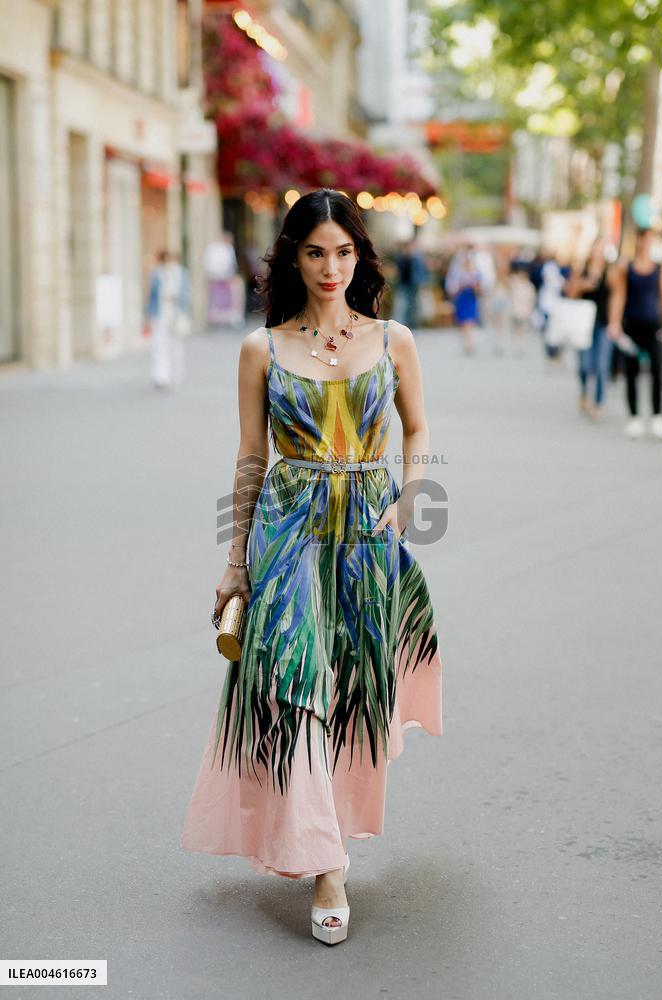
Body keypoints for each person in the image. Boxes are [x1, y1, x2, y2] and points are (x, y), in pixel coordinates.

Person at [180, 188, 444, 946]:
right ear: (291, 258)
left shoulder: (393, 339)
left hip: (365, 536)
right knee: (298, 688)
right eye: (315, 251)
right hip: (288, 535)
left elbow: (419, 426)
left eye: (344, 251)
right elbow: (250, 459)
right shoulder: (261, 349)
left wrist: (410, 496)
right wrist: (235, 562)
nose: (331, 267)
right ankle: (326, 865)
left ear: (360, 256)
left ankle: (323, 843)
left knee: (350, 692)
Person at [607, 227, 662, 439]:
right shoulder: (627, 268)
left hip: (653, 324)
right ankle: (634, 417)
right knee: (631, 371)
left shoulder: (659, 268)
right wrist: (614, 322)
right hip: (632, 324)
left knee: (657, 371)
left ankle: (658, 416)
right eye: (643, 239)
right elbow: (619, 296)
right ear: (638, 241)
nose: (646, 243)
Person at [568, 239, 613, 422]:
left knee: (602, 366)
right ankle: (584, 392)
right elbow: (570, 293)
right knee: (585, 365)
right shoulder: (581, 270)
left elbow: (617, 296)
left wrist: (615, 322)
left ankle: (598, 404)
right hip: (584, 324)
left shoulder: (611, 271)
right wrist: (583, 285)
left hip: (604, 322)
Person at [147, 249, 191, 390]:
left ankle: (177, 374)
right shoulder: (156, 274)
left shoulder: (181, 273)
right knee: (160, 344)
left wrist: (182, 309)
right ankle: (161, 376)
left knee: (176, 345)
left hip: (176, 314)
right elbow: (152, 296)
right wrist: (148, 315)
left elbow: (185, 294)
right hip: (160, 313)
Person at [446, 244, 482, 354]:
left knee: (470, 321)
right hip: (462, 298)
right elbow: (452, 286)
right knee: (463, 321)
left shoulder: (475, 272)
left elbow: (479, 287)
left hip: (471, 297)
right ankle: (466, 341)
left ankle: (470, 342)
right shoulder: (458, 272)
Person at [394, 239, 429, 328]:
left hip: (414, 285)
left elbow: (422, 271)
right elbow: (398, 270)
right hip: (403, 285)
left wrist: (422, 282)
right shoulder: (400, 258)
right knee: (402, 305)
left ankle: (414, 325)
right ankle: (401, 325)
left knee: (414, 305)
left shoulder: (417, 258)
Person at [508, 263, 536, 356]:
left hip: (524, 310)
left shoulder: (529, 286)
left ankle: (520, 346)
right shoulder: (515, 283)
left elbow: (532, 298)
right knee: (516, 328)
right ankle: (517, 344)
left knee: (522, 328)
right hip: (516, 309)